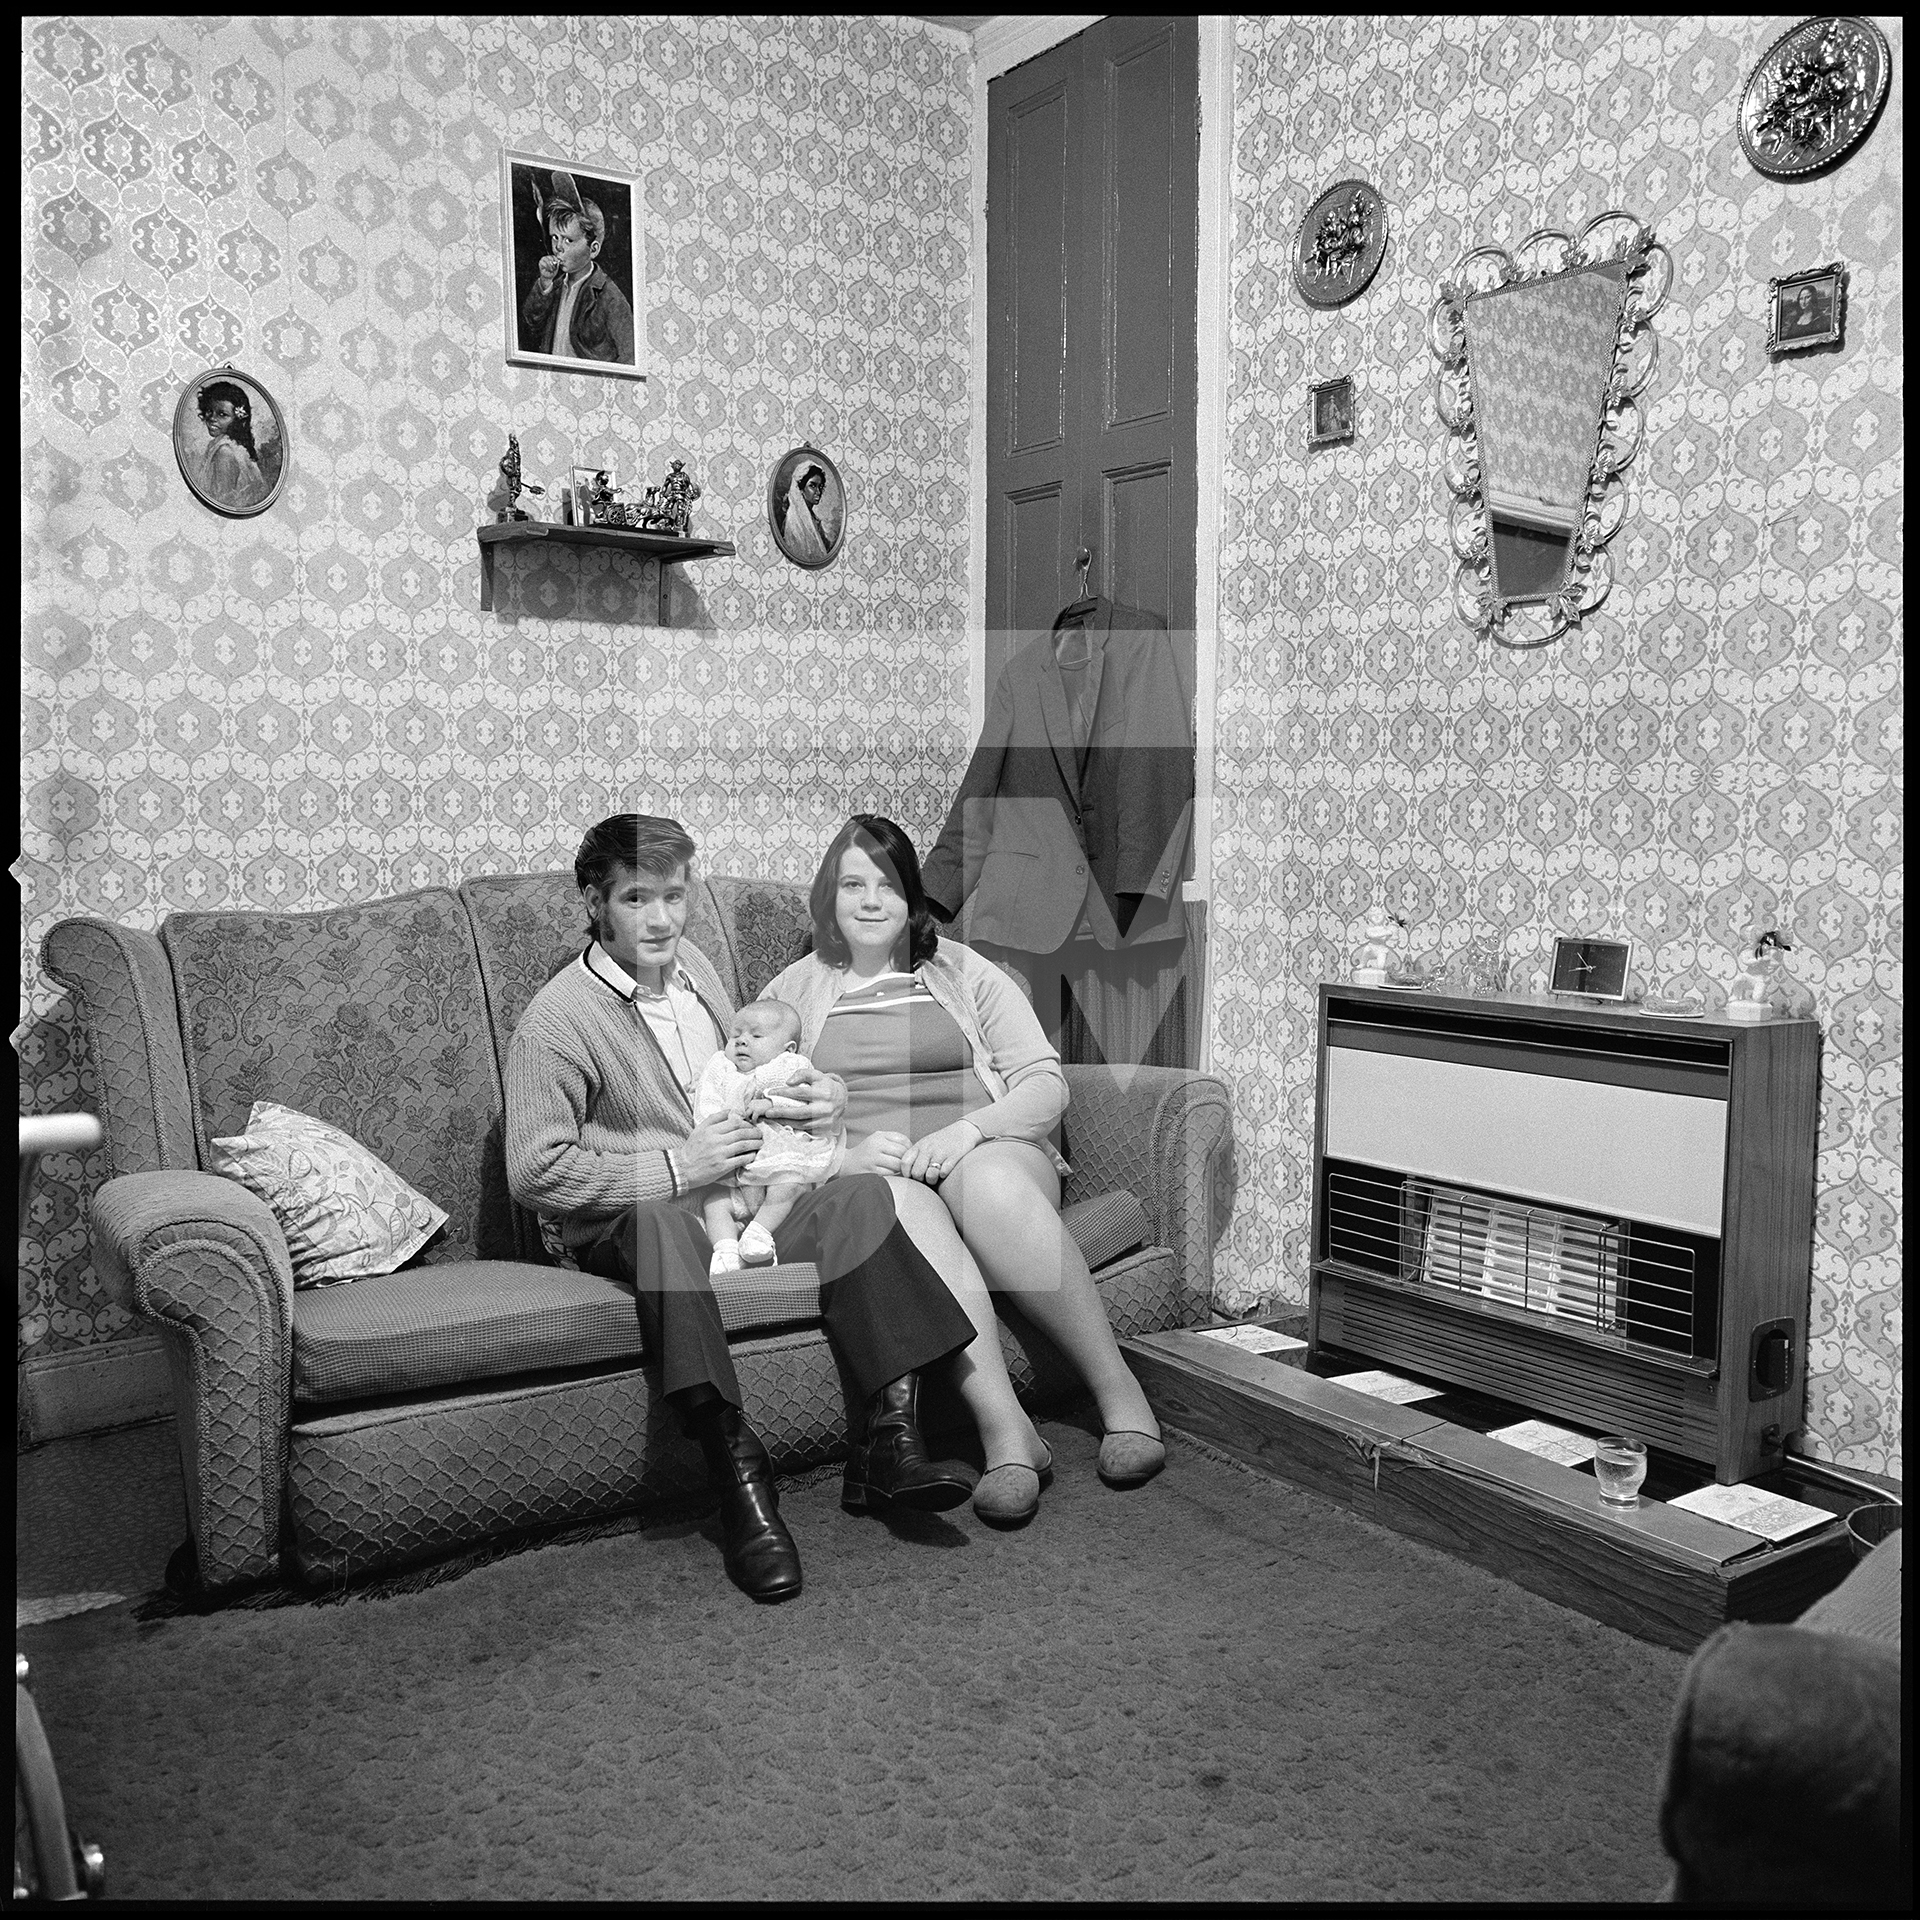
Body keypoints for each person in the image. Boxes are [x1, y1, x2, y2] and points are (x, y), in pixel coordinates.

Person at [504, 814, 980, 1605]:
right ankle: (740, 1479)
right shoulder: (558, 1019)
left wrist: (817, 1099)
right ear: (594, 902)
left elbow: (747, 1081)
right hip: (634, 1217)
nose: (660, 920)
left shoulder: (695, 969)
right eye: (634, 899)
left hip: (736, 1197)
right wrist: (672, 1167)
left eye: (673, 896)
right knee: (663, 1223)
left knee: (859, 1194)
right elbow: (533, 1170)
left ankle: (890, 1442)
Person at [763, 815, 1168, 1530]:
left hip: (991, 1152)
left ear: (911, 896)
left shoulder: (962, 969)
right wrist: (843, 1158)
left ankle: (1120, 1395)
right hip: (882, 1175)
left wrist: (966, 1131)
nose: (868, 900)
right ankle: (1010, 1437)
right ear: (827, 898)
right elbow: (763, 1114)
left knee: (985, 1183)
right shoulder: (792, 992)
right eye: (851, 885)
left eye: (886, 884)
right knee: (890, 1204)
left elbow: (1044, 1084)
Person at [693, 999, 838, 1273]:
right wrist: (717, 1123)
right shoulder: (721, 1067)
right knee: (715, 1201)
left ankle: (758, 1232)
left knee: (791, 1183)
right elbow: (706, 1103)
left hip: (777, 1152)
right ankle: (725, 1251)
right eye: (735, 1035)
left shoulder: (790, 1066)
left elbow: (805, 1103)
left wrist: (772, 1106)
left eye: (756, 1036)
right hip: (736, 1162)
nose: (742, 1041)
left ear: (788, 1048)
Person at [519, 175, 636, 366]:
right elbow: (532, 322)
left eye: (568, 240)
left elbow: (631, 356)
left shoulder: (609, 297)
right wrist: (545, 283)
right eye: (554, 237)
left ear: (594, 249)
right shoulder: (555, 286)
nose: (557, 247)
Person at [195, 379, 267, 509]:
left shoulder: (225, 452)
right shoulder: (223, 445)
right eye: (209, 411)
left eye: (222, 414)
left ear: (237, 420)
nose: (212, 418)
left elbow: (222, 501)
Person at [776, 461, 837, 565]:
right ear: (801, 488)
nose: (818, 491)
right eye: (812, 486)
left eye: (820, 486)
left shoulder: (814, 518)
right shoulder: (794, 519)